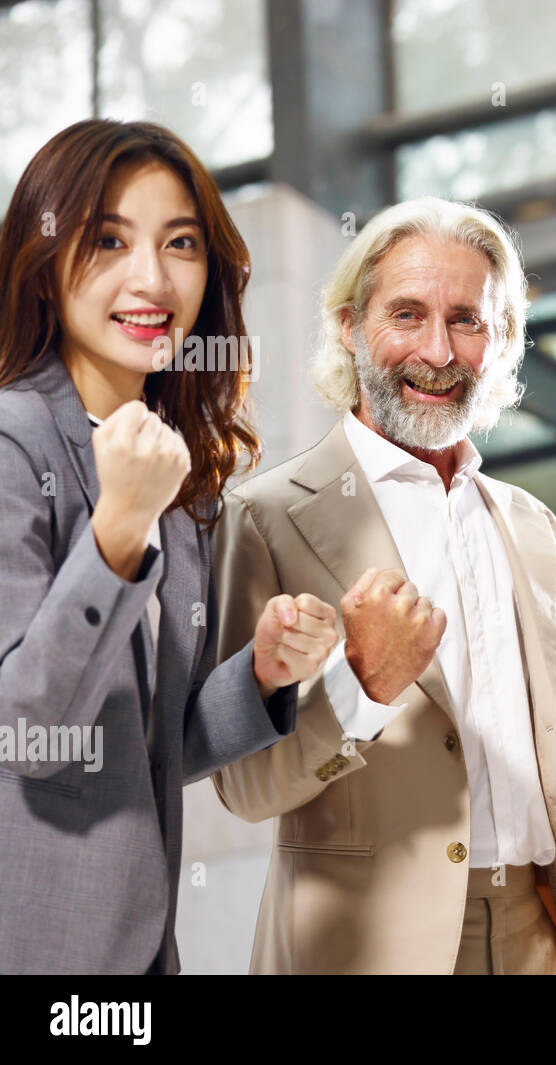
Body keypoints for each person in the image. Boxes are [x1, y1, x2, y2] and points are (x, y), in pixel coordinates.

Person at [210, 196, 556, 974]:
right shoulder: (264, 518)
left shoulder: (534, 529)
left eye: (468, 320)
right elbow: (242, 784)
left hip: (539, 933)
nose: (436, 351)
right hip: (364, 946)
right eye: (406, 314)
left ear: (502, 338)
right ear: (348, 324)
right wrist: (364, 687)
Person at [0, 119, 336, 975]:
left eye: (180, 243)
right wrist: (115, 534)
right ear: (41, 261)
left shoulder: (176, 476)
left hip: (140, 958)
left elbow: (149, 745)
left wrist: (260, 672)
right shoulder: (13, 442)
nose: (150, 278)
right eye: (107, 239)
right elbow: (24, 728)